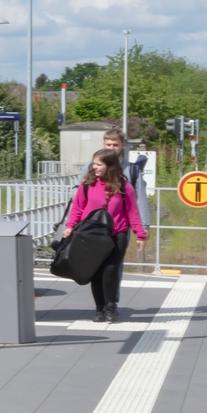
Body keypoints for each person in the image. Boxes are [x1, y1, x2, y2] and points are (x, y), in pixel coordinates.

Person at [63, 137, 147, 323]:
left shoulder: (124, 187)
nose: (94, 168)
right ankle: (99, 308)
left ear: (110, 166)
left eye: (99, 165)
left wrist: (140, 234)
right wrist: (69, 226)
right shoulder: (87, 184)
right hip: (91, 234)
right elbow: (77, 207)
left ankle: (111, 307)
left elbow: (132, 211)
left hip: (117, 234)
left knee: (110, 269)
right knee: (95, 271)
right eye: (94, 164)